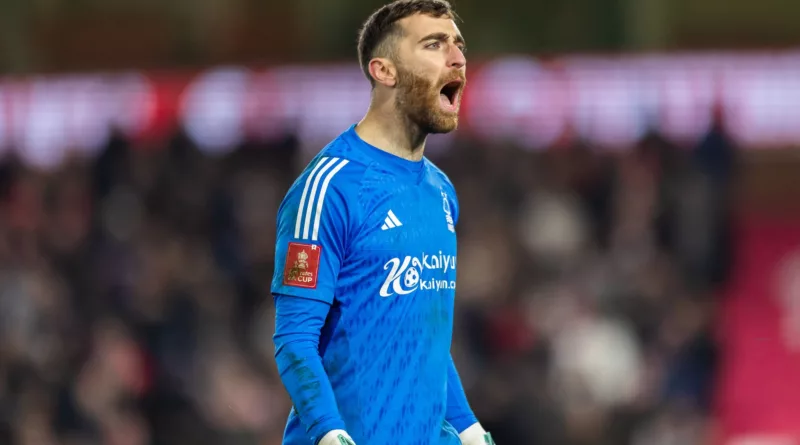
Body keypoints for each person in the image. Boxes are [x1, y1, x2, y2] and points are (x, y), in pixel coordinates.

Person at [271, 1, 494, 444]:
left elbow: (423, 340)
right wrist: (330, 434)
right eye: (434, 44)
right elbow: (295, 339)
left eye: (458, 45)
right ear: (384, 71)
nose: (457, 59)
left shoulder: (441, 192)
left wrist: (468, 428)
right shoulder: (329, 189)